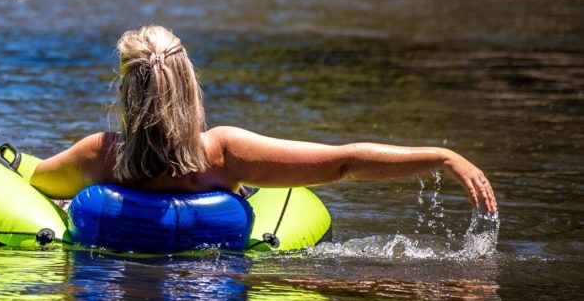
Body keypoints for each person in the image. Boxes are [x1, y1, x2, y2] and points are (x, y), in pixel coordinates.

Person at [30, 25, 497, 213]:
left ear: (126, 89)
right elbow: (343, 162)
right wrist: (441, 156)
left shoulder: (102, 155)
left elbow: (34, 185)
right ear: (189, 83)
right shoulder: (226, 153)